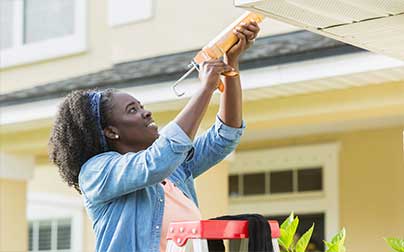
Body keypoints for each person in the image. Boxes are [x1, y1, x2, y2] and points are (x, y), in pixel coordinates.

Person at [49, 21, 260, 252]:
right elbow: (157, 160)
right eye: (132, 110)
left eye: (141, 106)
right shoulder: (96, 173)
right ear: (111, 131)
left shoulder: (176, 171)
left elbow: (225, 136)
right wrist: (205, 88)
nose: (145, 112)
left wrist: (231, 65)